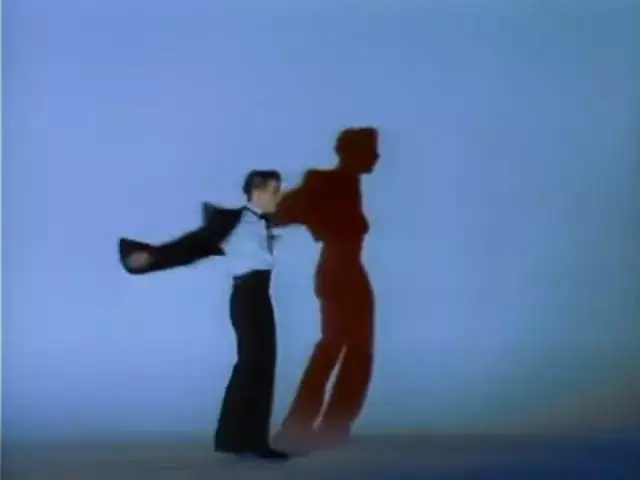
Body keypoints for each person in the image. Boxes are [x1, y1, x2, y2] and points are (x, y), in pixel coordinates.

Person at [118, 169, 290, 461]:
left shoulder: (264, 222)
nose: (279, 196)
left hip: (262, 297)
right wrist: (152, 257)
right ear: (257, 191)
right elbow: (190, 247)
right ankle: (242, 440)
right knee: (251, 364)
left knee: (262, 364)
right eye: (275, 190)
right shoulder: (232, 223)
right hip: (246, 299)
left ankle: (245, 440)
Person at [271, 127, 379, 451]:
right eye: (370, 151)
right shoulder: (327, 182)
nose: (376, 157)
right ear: (351, 153)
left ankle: (328, 425)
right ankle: (305, 426)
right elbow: (285, 210)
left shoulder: (347, 183)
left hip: (346, 270)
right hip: (339, 271)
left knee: (354, 349)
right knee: (337, 346)